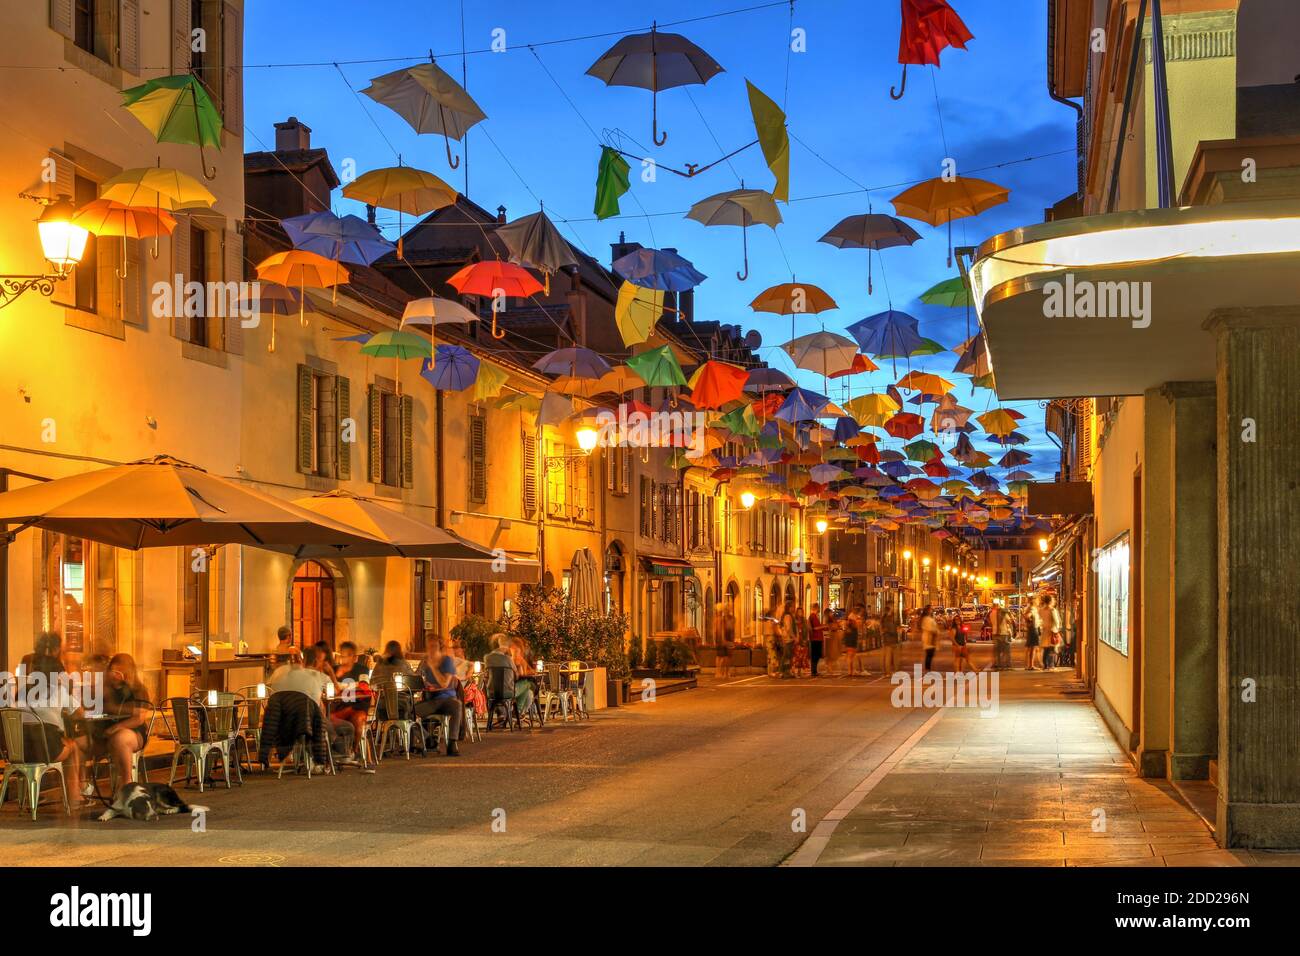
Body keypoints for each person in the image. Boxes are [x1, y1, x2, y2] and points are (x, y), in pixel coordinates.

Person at [14, 653, 87, 808]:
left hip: (21, 752)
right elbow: (80, 714)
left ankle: (30, 796)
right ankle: (74, 797)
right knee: (72, 746)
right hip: (47, 751)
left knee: (61, 741)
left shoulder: (20, 692)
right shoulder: (58, 691)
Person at [270, 646, 355, 763]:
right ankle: (338, 756)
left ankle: (319, 757)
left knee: (325, 722)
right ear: (316, 661)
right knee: (346, 727)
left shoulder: (287, 675)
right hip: (309, 722)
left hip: (283, 721)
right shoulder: (321, 676)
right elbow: (335, 692)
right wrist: (330, 672)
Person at [97, 654, 153, 789]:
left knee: (120, 739)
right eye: (112, 671)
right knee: (80, 743)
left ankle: (127, 784)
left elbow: (139, 718)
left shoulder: (138, 690)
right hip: (105, 729)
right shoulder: (106, 690)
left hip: (133, 732)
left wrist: (117, 727)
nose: (114, 675)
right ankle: (82, 787)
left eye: (118, 671)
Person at [415, 639, 464, 756]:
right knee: (409, 714)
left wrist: (433, 668)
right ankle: (428, 739)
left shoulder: (446, 661)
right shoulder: (424, 662)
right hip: (431, 700)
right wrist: (423, 683)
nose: (431, 650)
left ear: (439, 649)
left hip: (447, 699)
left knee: (457, 705)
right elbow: (416, 678)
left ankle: (452, 742)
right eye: (429, 647)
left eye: (434, 647)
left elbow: (444, 683)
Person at [1036, 595, 1063, 669]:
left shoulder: (1041, 610)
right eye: (1053, 600)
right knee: (1052, 649)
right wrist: (1057, 629)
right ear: (1051, 601)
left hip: (1044, 631)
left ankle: (1045, 664)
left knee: (1046, 649)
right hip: (1052, 631)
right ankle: (1051, 665)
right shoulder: (1052, 610)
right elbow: (1056, 621)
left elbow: (1039, 620)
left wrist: (1042, 626)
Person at [713, 603, 733, 680]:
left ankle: (723, 672)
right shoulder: (721, 619)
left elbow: (730, 629)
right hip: (722, 639)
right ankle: (720, 672)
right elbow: (719, 630)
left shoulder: (726, 618)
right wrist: (722, 639)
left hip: (725, 639)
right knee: (721, 657)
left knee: (725, 657)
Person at [879, 601, 901, 674]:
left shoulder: (885, 617)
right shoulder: (889, 617)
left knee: (890, 656)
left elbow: (882, 628)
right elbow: (892, 628)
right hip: (891, 639)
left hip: (889, 639)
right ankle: (889, 671)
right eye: (892, 606)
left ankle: (888, 672)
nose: (893, 607)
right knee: (891, 657)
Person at [919, 605, 940, 672]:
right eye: (931, 609)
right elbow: (929, 628)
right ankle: (927, 669)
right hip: (929, 638)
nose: (932, 611)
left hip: (931, 637)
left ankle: (928, 669)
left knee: (930, 654)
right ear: (928, 610)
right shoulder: (926, 619)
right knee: (929, 654)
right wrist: (935, 631)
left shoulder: (928, 618)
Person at [841, 605, 860, 676]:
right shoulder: (851, 619)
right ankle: (850, 671)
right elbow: (853, 626)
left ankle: (851, 670)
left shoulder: (852, 618)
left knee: (852, 655)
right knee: (850, 655)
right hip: (850, 639)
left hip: (852, 638)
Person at [791, 605, 810, 678]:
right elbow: (792, 630)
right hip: (797, 640)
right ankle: (795, 672)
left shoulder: (804, 620)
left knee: (803, 656)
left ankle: (800, 671)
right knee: (797, 656)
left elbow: (806, 630)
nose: (800, 613)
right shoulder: (794, 620)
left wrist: (806, 639)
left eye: (801, 612)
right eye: (799, 612)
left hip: (803, 640)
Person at [808, 603, 825, 677]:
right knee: (815, 655)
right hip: (815, 638)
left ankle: (815, 670)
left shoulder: (815, 616)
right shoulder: (813, 616)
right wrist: (823, 626)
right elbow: (815, 628)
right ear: (816, 608)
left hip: (818, 638)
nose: (819, 609)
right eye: (818, 608)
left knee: (817, 655)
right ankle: (813, 671)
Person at [1022, 603, 1041, 670]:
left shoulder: (1030, 608)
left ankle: (1028, 665)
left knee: (1030, 648)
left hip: (1032, 629)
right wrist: (1029, 621)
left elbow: (1025, 616)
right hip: (1033, 629)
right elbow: (1027, 616)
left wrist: (1028, 622)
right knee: (1033, 648)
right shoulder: (1032, 609)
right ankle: (1031, 665)